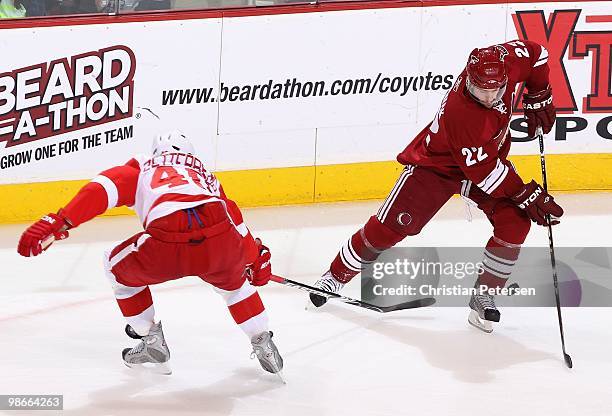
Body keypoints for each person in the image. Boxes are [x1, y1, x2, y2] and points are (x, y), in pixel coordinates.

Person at [308, 40, 563, 333]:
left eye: (498, 89)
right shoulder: (463, 113)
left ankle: (484, 294)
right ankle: (335, 275)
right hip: (437, 167)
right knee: (390, 227)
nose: (492, 96)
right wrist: (525, 193)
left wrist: (540, 92)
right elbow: (485, 174)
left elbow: (538, 54)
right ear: (469, 80)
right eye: (483, 90)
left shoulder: (503, 63)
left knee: (515, 223)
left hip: (484, 161)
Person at [18, 131, 284, 377]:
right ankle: (263, 340)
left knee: (114, 265)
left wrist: (62, 221)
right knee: (236, 285)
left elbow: (105, 187)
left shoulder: (145, 166)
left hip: (167, 239)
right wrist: (254, 258)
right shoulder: (205, 177)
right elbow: (234, 220)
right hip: (220, 240)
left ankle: (150, 339)